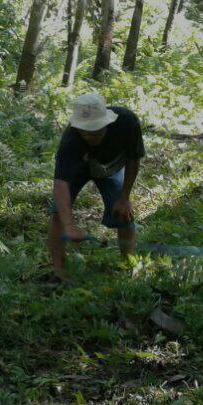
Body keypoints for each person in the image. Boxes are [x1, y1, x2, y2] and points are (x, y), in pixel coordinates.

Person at [48, 92, 145, 281]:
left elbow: (134, 160)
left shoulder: (127, 123)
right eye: (85, 131)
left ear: (107, 123)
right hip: (78, 168)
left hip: (111, 166)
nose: (90, 136)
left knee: (124, 215)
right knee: (58, 214)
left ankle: (129, 267)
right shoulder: (71, 140)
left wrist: (124, 198)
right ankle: (59, 272)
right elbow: (61, 185)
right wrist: (69, 225)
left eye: (96, 131)